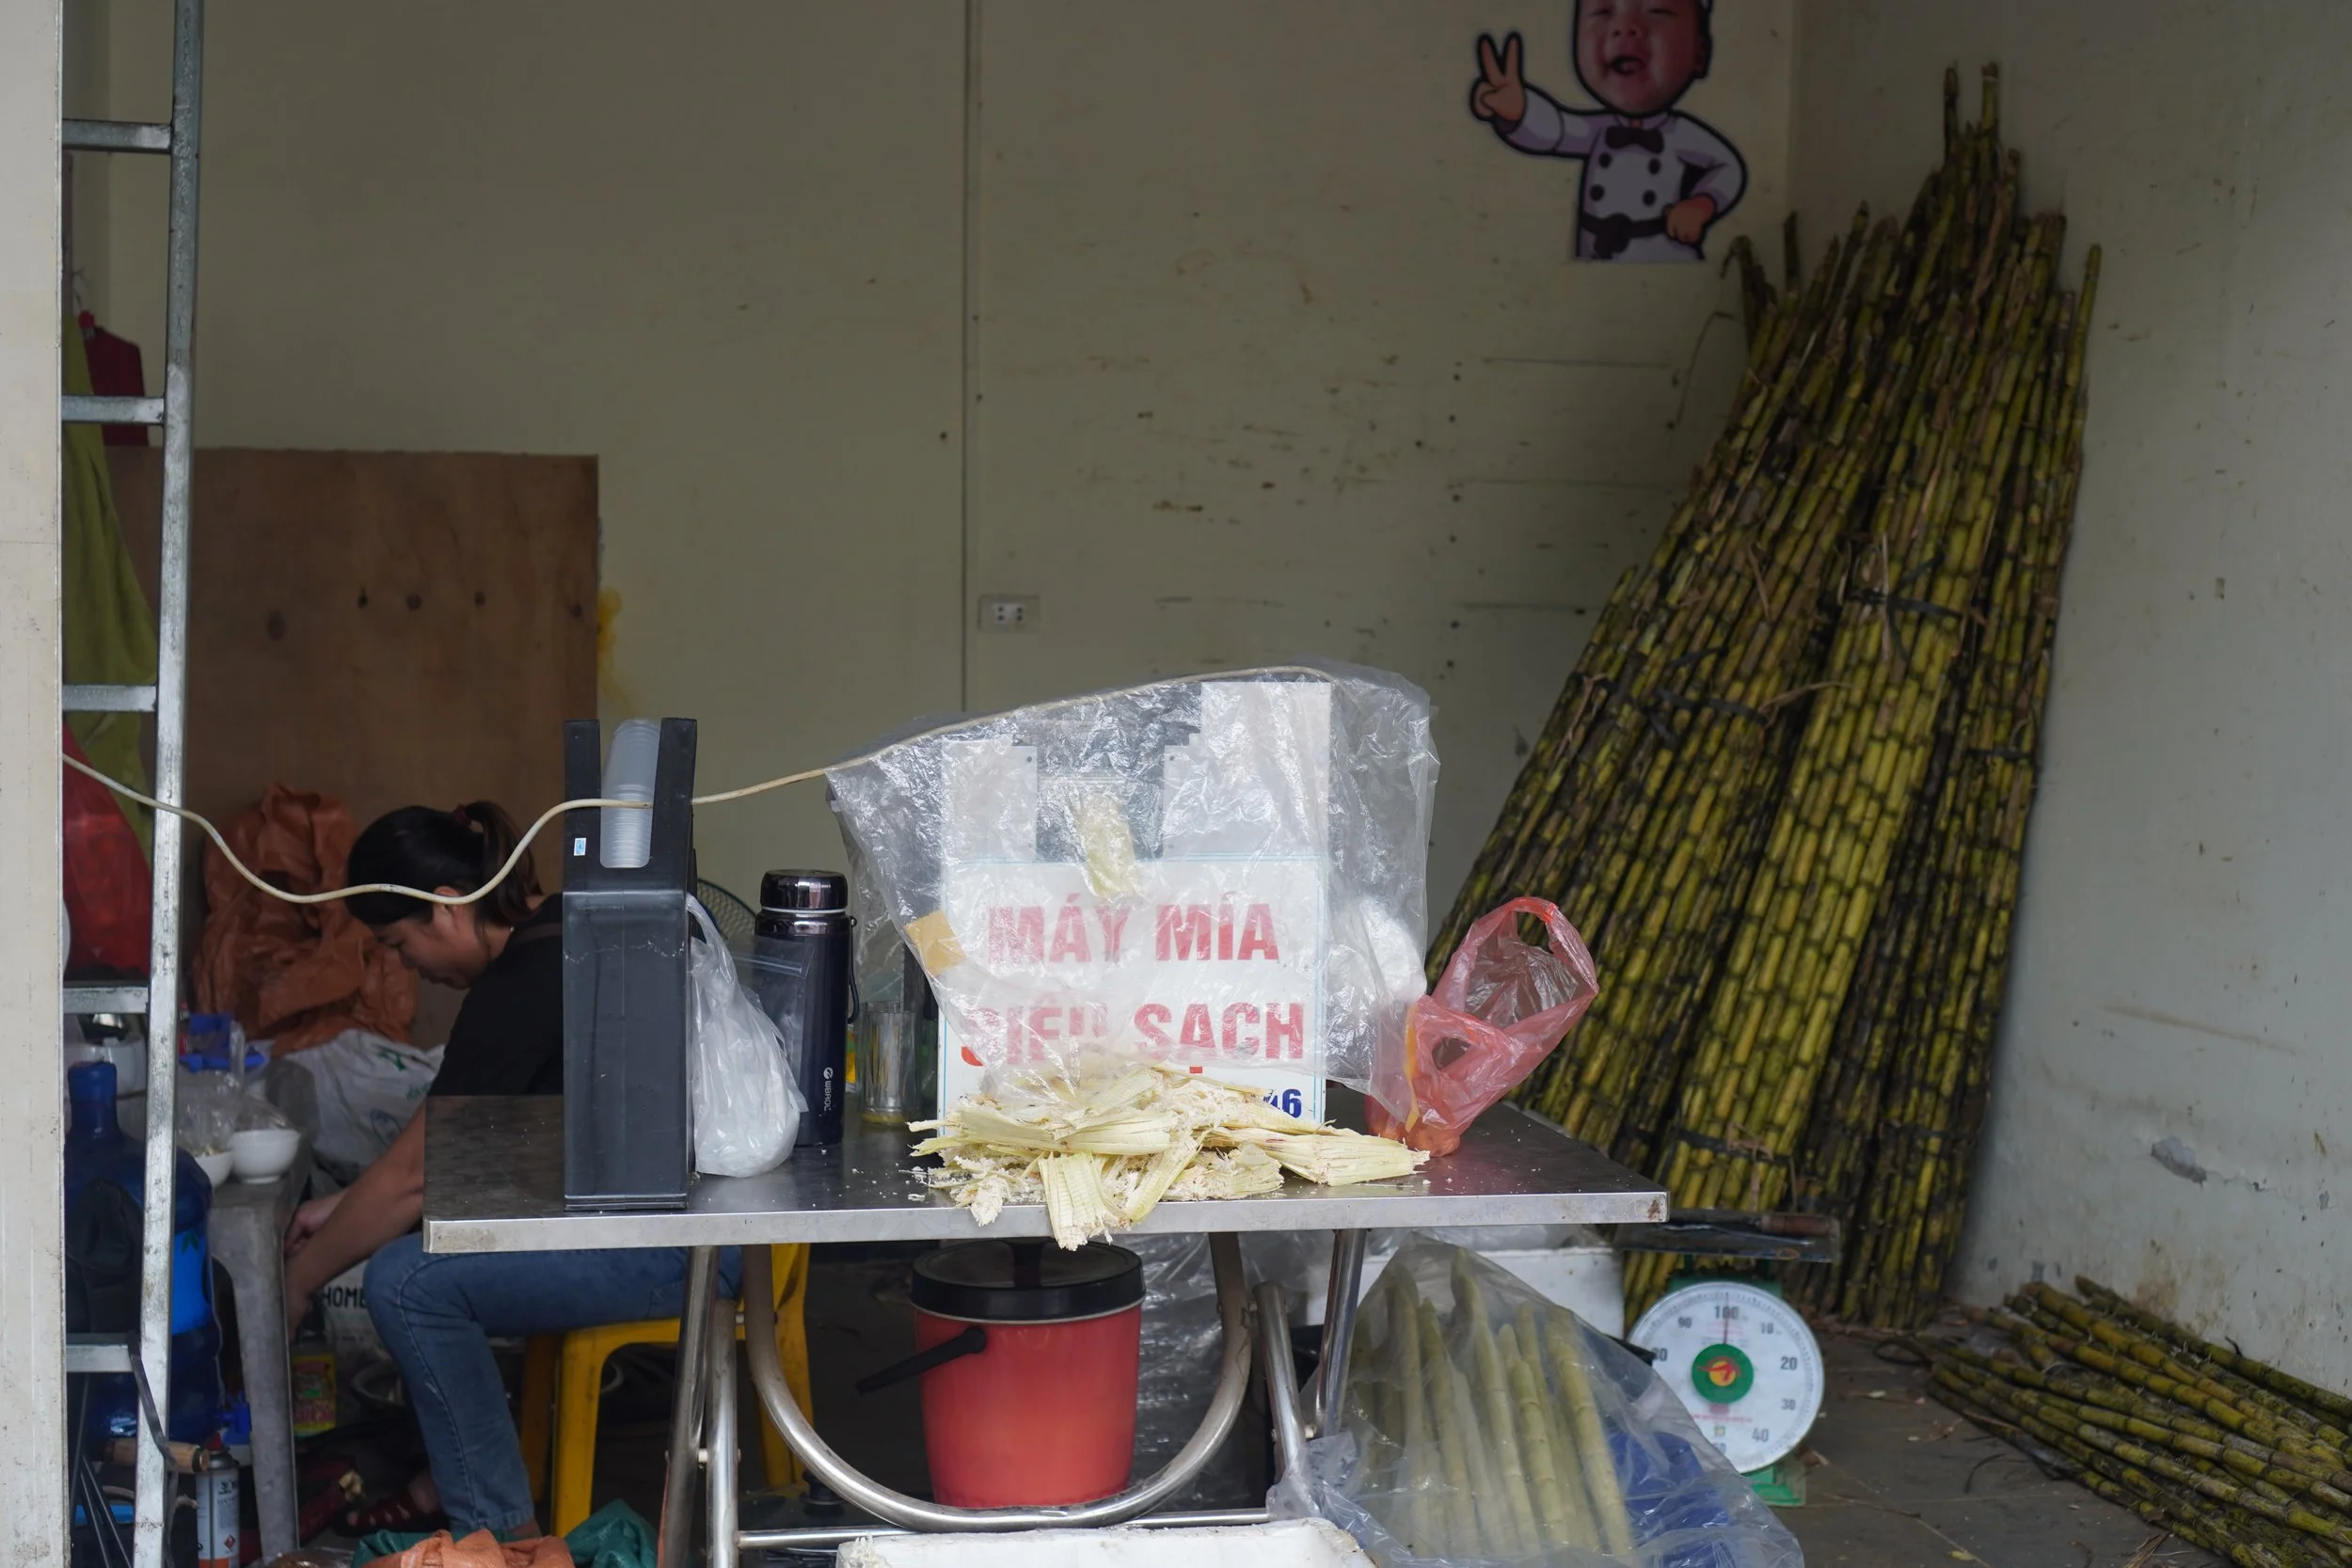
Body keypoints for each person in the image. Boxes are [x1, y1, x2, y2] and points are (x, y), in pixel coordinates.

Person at [281, 801, 737, 1537]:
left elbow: (416, 1177)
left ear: (447, 906)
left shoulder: (521, 984)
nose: (408, 969)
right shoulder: (561, 929)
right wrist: (341, 1211)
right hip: (707, 1225)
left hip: (683, 1248)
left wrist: (297, 1284)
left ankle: (502, 1538)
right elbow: (453, 1150)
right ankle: (457, 1483)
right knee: (420, 1254)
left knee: (408, 1282)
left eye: (399, 945)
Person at [1469, 0, 1746, 262]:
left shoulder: (1682, 134)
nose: (1625, 27)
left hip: (1667, 255)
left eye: (1658, 9)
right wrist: (1521, 112)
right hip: (1594, 254)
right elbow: (1557, 130)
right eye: (1602, 11)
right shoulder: (1597, 130)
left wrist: (1702, 205)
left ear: (1700, 51)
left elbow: (1727, 168)